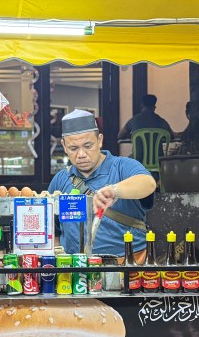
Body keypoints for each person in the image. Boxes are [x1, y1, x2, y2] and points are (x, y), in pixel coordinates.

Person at [49, 109, 158, 260]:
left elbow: (148, 183)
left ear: (99, 140)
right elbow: (51, 229)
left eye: (88, 146)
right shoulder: (61, 180)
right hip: (75, 271)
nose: (81, 154)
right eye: (74, 148)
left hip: (126, 265)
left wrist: (115, 191)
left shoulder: (122, 166)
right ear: (64, 146)